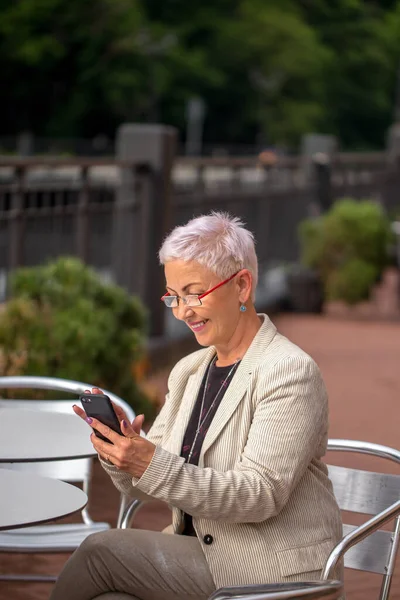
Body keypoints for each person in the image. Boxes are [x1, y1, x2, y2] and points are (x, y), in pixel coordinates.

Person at [50, 212, 343, 600]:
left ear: (241, 286)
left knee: (100, 551)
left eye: (194, 293)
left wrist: (148, 461)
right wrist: (122, 452)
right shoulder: (190, 371)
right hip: (203, 554)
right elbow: (148, 485)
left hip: (271, 567)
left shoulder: (288, 371)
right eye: (174, 296)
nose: (182, 311)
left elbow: (259, 494)